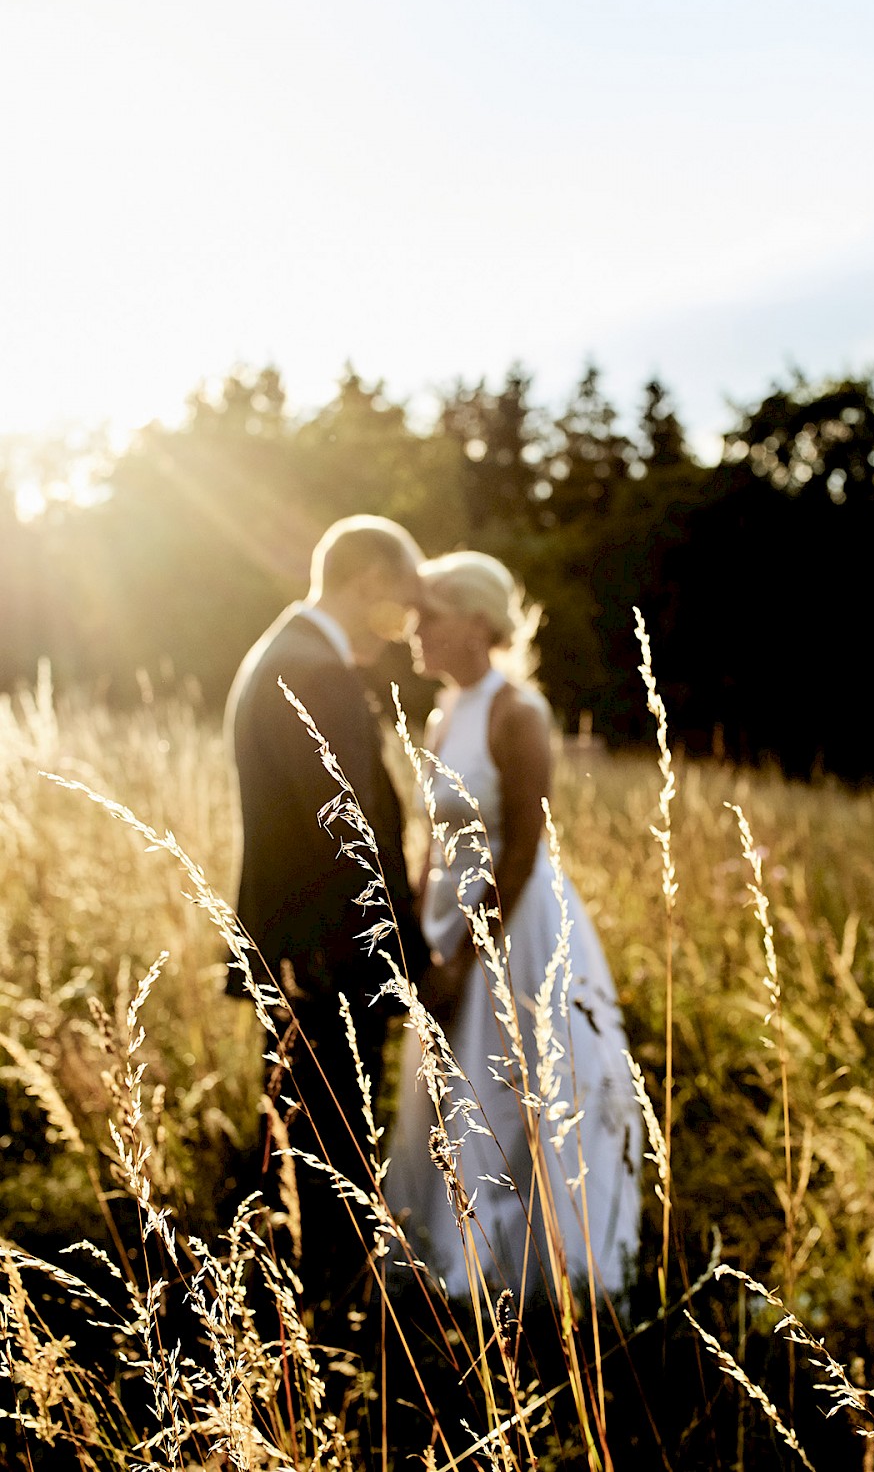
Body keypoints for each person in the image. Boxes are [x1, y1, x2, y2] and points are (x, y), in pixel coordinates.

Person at [385, 552, 640, 1310]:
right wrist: (424, 927)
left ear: (475, 622)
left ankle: (536, 1273)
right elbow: (434, 834)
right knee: (451, 1093)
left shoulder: (516, 712)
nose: (413, 630)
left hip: (513, 928)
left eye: (428, 615)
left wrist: (469, 955)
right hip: (448, 923)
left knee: (515, 1088)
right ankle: (453, 1256)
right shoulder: (442, 713)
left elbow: (525, 846)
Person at [225, 514, 431, 1323]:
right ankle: (340, 1317)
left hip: (300, 941)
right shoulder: (315, 671)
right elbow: (353, 831)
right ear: (368, 581)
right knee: (335, 1140)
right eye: (402, 603)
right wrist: (406, 949)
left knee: (307, 1129)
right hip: (331, 947)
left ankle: (309, 1297)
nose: (406, 624)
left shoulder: (283, 652)